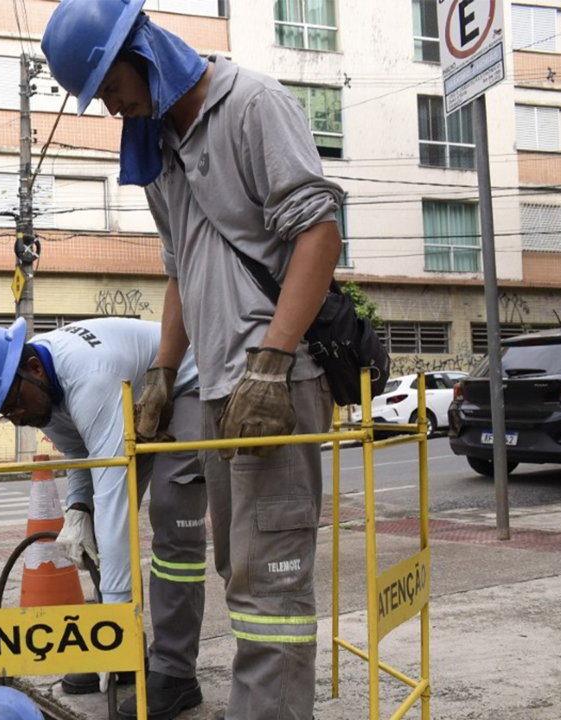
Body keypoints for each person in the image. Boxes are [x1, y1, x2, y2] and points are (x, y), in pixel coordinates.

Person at [41, 2, 344, 719]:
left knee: (271, 586)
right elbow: (179, 270)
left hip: (279, 382)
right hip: (214, 388)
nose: (114, 108)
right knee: (239, 573)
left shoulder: (253, 105)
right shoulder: (159, 150)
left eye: (111, 87)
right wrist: (163, 371)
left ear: (140, 49)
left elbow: (320, 235)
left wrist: (272, 361)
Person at [0, 317, 206, 720]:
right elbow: (82, 452)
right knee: (98, 536)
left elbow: (114, 497)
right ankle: (125, 656)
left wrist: (115, 621)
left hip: (186, 386)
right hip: (135, 404)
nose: (15, 417)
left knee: (173, 516)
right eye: (3, 413)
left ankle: (175, 673)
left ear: (33, 370)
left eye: (13, 404)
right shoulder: (40, 390)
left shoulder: (89, 379)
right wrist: (78, 508)